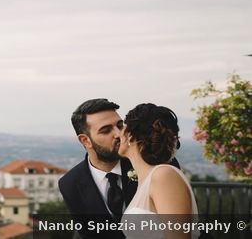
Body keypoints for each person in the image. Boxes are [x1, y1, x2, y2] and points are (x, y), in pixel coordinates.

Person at [58, 99, 136, 239]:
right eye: (106, 130)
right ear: (85, 140)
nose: (118, 134)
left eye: (120, 125)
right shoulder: (70, 184)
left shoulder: (148, 163)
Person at [119, 103, 198, 238]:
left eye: (121, 128)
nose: (117, 135)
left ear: (129, 135)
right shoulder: (145, 181)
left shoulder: (164, 176)